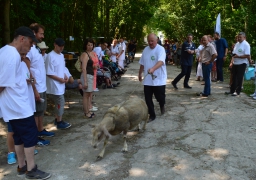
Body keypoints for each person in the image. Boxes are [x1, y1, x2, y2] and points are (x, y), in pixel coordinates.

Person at [0, 26, 51, 179]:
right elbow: (2, 83)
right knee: (30, 134)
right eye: (30, 42)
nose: (31, 46)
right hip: (18, 105)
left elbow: (10, 78)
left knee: (19, 136)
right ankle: (31, 169)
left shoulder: (5, 51)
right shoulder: (12, 55)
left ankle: (21, 166)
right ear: (22, 39)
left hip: (13, 105)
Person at [24, 23, 53, 146]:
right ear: (33, 33)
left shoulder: (36, 48)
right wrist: (34, 89)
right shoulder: (29, 50)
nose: (43, 36)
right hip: (35, 87)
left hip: (42, 85)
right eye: (41, 33)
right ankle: (35, 137)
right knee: (35, 113)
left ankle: (40, 130)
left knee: (41, 111)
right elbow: (27, 70)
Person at [138, 33, 167, 123]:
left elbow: (161, 61)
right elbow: (142, 63)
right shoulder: (145, 50)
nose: (150, 43)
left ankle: (162, 105)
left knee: (160, 97)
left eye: (152, 41)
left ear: (156, 40)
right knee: (148, 98)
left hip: (159, 79)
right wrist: (140, 73)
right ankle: (152, 115)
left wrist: (153, 68)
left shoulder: (160, 49)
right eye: (149, 41)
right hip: (148, 80)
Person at [45, 38, 72, 129]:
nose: (61, 48)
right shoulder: (50, 56)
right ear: (55, 45)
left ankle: (58, 119)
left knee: (60, 102)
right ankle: (59, 121)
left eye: (62, 46)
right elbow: (49, 72)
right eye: (59, 46)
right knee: (60, 102)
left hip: (61, 83)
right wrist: (59, 79)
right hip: (54, 84)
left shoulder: (61, 55)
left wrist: (65, 75)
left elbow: (62, 68)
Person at [225, 32, 251, 96]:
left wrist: (239, 56)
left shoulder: (246, 45)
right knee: (234, 77)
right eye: (238, 37)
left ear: (244, 38)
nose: (239, 38)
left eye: (240, 37)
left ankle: (237, 91)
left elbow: (247, 55)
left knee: (239, 77)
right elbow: (234, 53)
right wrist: (233, 57)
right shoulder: (237, 44)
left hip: (242, 63)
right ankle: (232, 90)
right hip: (235, 63)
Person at [80, 39, 97, 118]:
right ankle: (86, 112)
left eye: (91, 45)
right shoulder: (85, 54)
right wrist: (85, 81)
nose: (90, 46)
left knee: (89, 94)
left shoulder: (90, 54)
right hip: (86, 76)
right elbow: (83, 68)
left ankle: (88, 110)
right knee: (86, 95)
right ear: (85, 46)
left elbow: (89, 66)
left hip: (90, 75)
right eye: (88, 45)